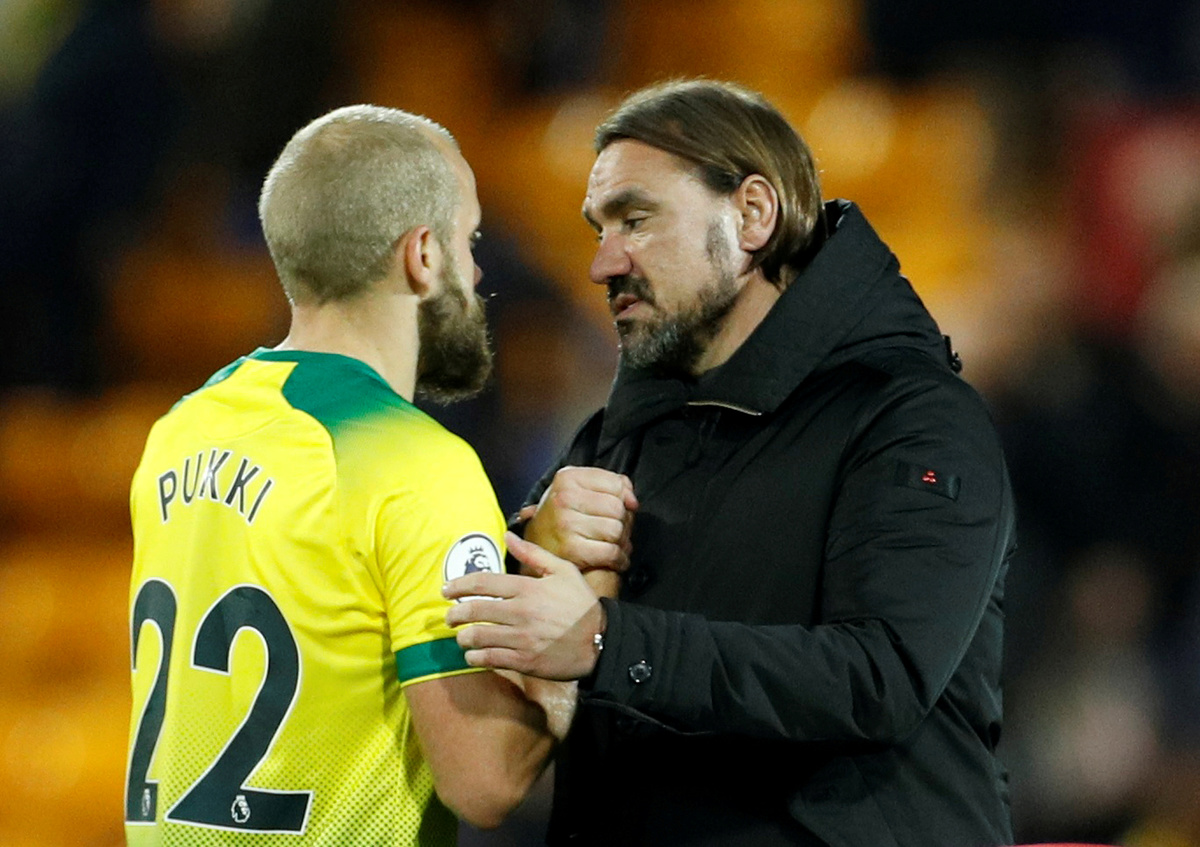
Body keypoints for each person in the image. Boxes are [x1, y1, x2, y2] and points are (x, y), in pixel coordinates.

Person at [444, 79, 1017, 846]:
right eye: (598, 229)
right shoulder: (620, 431)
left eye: (636, 220)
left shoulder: (912, 415)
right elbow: (530, 652)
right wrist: (537, 540)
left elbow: (882, 675)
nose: (603, 263)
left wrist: (609, 641)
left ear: (752, 214)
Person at [125, 104, 579, 845]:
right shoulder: (415, 463)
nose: (478, 273)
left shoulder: (178, 431)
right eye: (468, 241)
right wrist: (581, 615)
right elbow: (486, 780)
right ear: (422, 254)